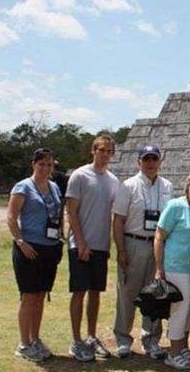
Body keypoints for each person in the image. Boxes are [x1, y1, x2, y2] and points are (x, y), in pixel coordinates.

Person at [112, 145, 173, 359]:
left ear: (160, 161)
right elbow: (118, 220)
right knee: (127, 293)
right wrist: (121, 250)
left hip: (157, 244)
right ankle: (123, 339)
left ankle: (152, 340)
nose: (150, 163)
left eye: (154, 159)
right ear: (138, 162)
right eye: (146, 159)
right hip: (134, 242)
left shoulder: (167, 186)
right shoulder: (128, 186)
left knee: (154, 294)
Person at [65, 134, 119, 362]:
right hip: (81, 245)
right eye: (101, 150)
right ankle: (76, 340)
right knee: (79, 292)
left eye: (108, 151)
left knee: (96, 292)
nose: (105, 154)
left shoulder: (113, 180)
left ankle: (91, 336)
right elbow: (71, 211)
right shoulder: (79, 175)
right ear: (93, 151)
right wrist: (81, 242)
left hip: (100, 245)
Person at [6, 147, 64, 362]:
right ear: (34, 164)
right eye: (41, 164)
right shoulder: (23, 187)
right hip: (29, 248)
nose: (45, 168)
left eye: (49, 165)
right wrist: (21, 242)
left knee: (41, 295)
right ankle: (24, 343)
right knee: (29, 296)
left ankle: (35, 338)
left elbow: (58, 215)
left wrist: (60, 240)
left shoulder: (54, 187)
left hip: (50, 247)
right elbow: (11, 217)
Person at [155, 169, 190, 369]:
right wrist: (159, 268)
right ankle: (173, 352)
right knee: (179, 308)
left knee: (189, 308)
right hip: (176, 266)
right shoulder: (175, 206)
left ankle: (183, 346)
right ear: (187, 186)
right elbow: (159, 236)